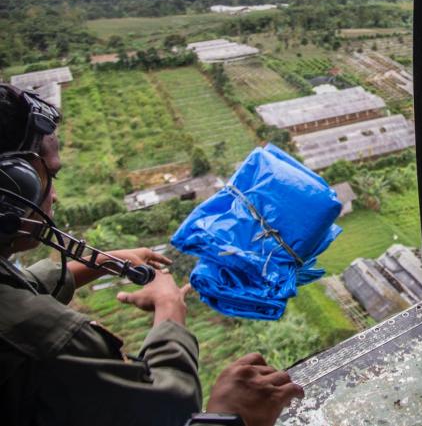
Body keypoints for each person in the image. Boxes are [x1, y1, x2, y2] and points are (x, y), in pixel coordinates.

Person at [0, 84, 303, 426]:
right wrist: (170, 307)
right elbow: (167, 408)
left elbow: (16, 286)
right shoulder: (37, 338)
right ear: (12, 188)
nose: (52, 195)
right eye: (48, 176)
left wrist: (100, 262)